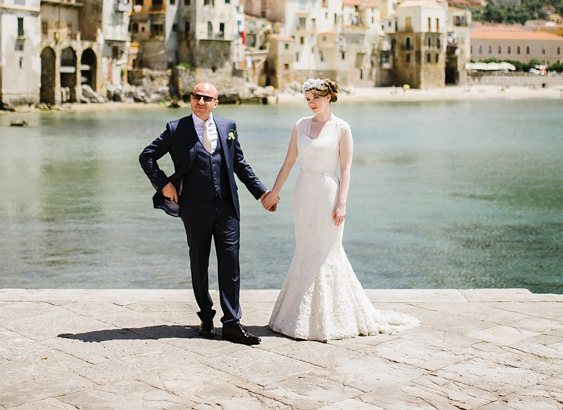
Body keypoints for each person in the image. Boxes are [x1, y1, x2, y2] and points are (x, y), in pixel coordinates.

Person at [260, 78, 419, 342]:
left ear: (329, 98)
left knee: (327, 251)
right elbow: (289, 162)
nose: (311, 104)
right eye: (308, 99)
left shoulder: (341, 128)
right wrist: (275, 192)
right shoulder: (299, 125)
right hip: (304, 193)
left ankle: (332, 317)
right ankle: (298, 315)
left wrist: (342, 202)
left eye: (316, 98)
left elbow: (345, 169)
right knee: (305, 249)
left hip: (328, 193)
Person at [140, 81, 269, 345]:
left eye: (206, 98)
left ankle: (232, 323)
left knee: (230, 263)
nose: (200, 101)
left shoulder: (228, 127)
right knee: (199, 263)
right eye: (196, 96)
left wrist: (262, 193)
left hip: (227, 207)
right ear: (190, 99)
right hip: (194, 207)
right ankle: (206, 317)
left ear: (215, 103)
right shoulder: (176, 129)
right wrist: (164, 183)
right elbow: (147, 156)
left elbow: (240, 165)